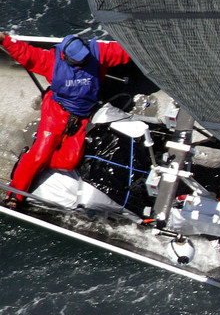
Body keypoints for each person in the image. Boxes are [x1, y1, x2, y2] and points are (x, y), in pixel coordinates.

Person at [4, 32, 131, 208]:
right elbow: (23, 52)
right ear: (66, 56)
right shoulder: (51, 61)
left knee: (70, 161)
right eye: (78, 60)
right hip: (56, 113)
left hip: (82, 116)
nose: (83, 62)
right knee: (39, 155)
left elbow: (126, 50)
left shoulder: (97, 52)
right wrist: (4, 39)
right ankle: (15, 194)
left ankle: (32, 160)